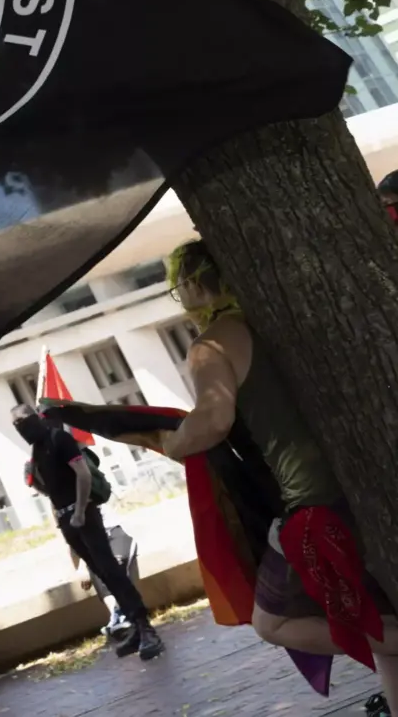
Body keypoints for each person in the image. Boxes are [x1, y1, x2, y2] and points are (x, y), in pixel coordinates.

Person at [162, 238, 397, 713]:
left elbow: (212, 420)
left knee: (272, 622)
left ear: (191, 284)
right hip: (371, 473)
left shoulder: (212, 343)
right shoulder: (282, 314)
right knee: (383, 621)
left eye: (176, 288)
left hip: (317, 499)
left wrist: (173, 443)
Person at [13, 407, 165, 661]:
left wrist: (81, 511)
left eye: (21, 421)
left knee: (112, 571)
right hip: (67, 520)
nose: (20, 428)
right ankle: (135, 628)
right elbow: (48, 488)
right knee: (102, 574)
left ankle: (146, 628)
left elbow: (82, 473)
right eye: (15, 424)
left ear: (33, 418)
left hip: (83, 516)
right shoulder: (37, 451)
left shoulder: (59, 439)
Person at [24, 457, 137, 645]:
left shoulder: (73, 487)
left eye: (38, 484)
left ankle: (123, 616)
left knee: (111, 571)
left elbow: (87, 532)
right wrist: (80, 568)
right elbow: (74, 542)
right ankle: (119, 617)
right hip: (101, 540)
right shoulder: (58, 501)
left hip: (114, 535)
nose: (40, 490)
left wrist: (83, 566)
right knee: (101, 575)